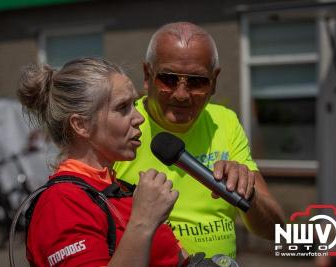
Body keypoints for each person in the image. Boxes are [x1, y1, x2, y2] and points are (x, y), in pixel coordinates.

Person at [114, 22, 285, 258]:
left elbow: (276, 230)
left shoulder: (224, 121)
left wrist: (249, 194)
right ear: (147, 75)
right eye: (168, 79)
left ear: (214, 82)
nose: (182, 94)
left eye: (196, 82)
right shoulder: (120, 126)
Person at [17, 58, 185, 266]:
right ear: (81, 125)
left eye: (134, 104)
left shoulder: (115, 188)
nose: (139, 118)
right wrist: (144, 221)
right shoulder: (62, 201)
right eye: (122, 107)